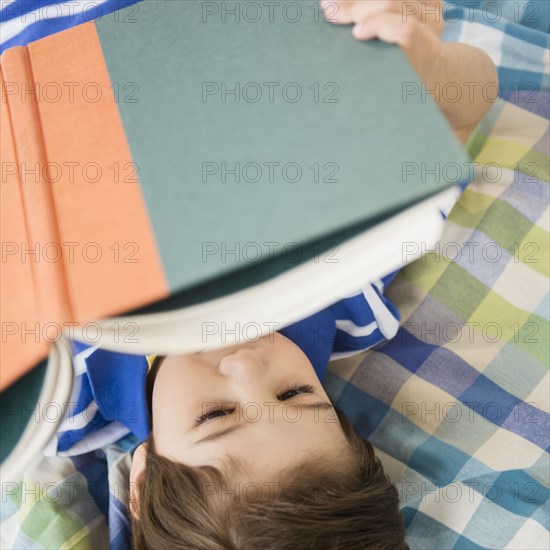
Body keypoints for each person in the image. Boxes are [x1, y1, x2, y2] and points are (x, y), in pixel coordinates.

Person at [52, 2, 498, 548]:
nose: (246, 363)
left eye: (216, 414)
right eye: (294, 394)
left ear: (142, 477)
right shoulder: (343, 292)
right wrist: (427, 69)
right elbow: (459, 116)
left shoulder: (62, 392)